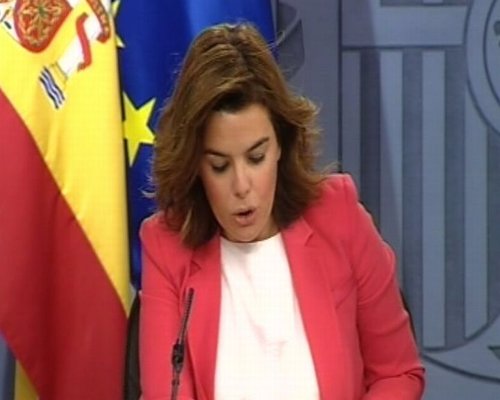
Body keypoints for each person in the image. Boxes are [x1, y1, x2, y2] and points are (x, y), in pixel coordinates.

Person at [139, 22, 425, 400]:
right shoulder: (167, 246)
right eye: (219, 166)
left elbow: (398, 372)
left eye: (256, 157)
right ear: (195, 165)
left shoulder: (338, 216)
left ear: (280, 146)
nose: (242, 185)